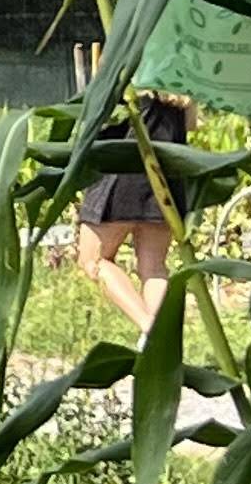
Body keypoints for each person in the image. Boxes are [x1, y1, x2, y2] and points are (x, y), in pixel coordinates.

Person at [77, 93, 190, 338]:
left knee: (93, 260)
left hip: (122, 176)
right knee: (154, 268)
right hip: (164, 181)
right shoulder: (183, 90)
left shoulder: (131, 86)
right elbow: (190, 125)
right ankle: (158, 343)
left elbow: (99, 121)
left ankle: (149, 326)